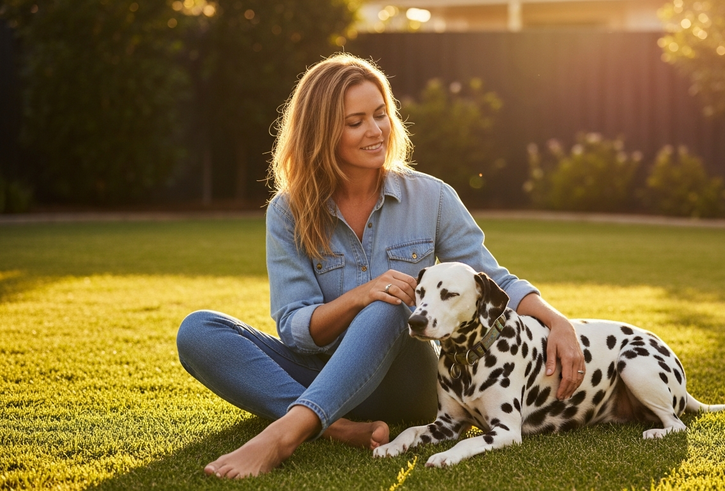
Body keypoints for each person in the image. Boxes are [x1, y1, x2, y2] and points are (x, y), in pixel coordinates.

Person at [175, 53, 586, 479]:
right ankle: (338, 428)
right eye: (355, 122)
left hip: (406, 383)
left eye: (380, 115)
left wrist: (558, 322)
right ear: (321, 132)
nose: (375, 131)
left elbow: (490, 280)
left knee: (394, 298)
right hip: (321, 375)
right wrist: (357, 297)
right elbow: (294, 327)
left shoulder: (432, 197)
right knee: (199, 331)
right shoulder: (288, 211)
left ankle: (283, 435)